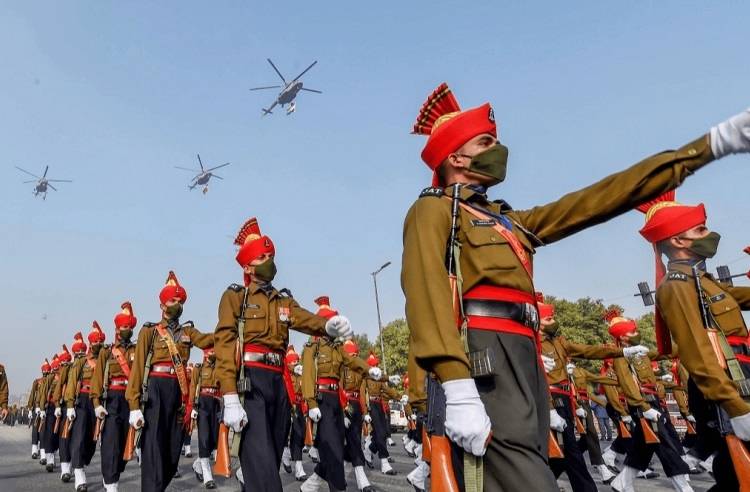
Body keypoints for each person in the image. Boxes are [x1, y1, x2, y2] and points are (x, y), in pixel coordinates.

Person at [403, 83, 750, 489]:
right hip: (484, 363)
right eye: (485, 141)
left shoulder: (511, 221)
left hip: (524, 361)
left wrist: (710, 146)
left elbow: (601, 198)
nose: (498, 149)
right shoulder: (433, 210)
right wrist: (456, 384)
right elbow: (427, 296)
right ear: (455, 155)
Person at [214, 217, 354, 492]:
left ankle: (249, 477)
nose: (269, 261)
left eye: (271, 255)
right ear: (247, 266)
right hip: (250, 385)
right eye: (262, 257)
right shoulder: (236, 298)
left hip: (278, 384)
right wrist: (230, 395)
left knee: (271, 459)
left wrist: (327, 325)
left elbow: (302, 318)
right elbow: (225, 343)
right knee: (265, 471)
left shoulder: (282, 300)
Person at [637, 191, 750, 490]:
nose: (709, 235)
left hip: (740, 379)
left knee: (734, 475)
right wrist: (737, 407)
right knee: (737, 474)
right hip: (724, 387)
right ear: (677, 240)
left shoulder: (702, 281)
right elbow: (697, 352)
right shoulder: (677, 286)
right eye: (700, 229)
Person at [538, 297, 646, 488]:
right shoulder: (533, 343)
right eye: (548, 319)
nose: (554, 322)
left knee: (564, 453)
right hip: (552, 399)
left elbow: (587, 350)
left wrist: (621, 352)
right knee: (570, 452)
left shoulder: (559, 341)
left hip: (565, 399)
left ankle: (542, 485)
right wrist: (549, 408)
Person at [126, 271, 214, 492]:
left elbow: (207, 340)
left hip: (179, 393)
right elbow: (137, 371)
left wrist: (229, 329)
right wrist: (134, 405)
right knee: (153, 448)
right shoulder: (150, 331)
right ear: (163, 304)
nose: (178, 304)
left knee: (173, 451)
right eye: (173, 300)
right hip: (156, 391)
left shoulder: (187, 331)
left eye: (180, 301)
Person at [605, 310, 692, 492]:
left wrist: (687, 342)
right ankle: (684, 488)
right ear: (622, 338)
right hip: (644, 405)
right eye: (632, 332)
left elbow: (662, 353)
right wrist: (644, 407)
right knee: (666, 445)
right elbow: (628, 385)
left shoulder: (641, 353)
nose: (637, 334)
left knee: (642, 449)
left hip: (653, 402)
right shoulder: (621, 356)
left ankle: (621, 483)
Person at [299, 296, 377, 492]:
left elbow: (353, 362)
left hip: (335, 402)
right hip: (322, 399)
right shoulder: (313, 347)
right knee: (332, 447)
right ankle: (338, 488)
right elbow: (308, 375)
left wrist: (369, 370)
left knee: (336, 446)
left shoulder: (337, 348)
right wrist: (311, 403)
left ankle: (312, 484)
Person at [90, 302, 138, 492]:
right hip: (111, 400)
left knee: (125, 445)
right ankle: (111, 484)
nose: (126, 330)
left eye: (129, 327)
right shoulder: (106, 352)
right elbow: (97, 378)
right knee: (111, 443)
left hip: (130, 400)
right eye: (123, 327)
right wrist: (96, 403)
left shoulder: (137, 350)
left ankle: (112, 475)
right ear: (117, 329)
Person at [65, 321, 106, 491]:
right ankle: (79, 472)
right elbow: (73, 381)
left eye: (99, 341)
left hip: (101, 400)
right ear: (90, 343)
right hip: (82, 400)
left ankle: (84, 462)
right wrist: (69, 405)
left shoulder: (107, 359)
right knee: (80, 437)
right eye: (94, 341)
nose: (97, 344)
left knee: (91, 441)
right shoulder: (82, 361)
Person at [362, 352, 398, 475]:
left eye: (377, 364)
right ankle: (384, 463)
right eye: (374, 365)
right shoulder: (365, 377)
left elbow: (386, 389)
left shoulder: (379, 377)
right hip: (371, 405)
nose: (377, 367)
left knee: (381, 434)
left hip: (379, 405)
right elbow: (362, 394)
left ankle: (368, 451)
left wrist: (399, 397)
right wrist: (365, 412)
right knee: (381, 433)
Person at [190, 347, 220, 489]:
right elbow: (193, 386)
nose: (213, 354)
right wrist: (192, 407)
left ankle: (198, 464)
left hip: (216, 403)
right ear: (206, 354)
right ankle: (207, 476)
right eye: (211, 351)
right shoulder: (199, 368)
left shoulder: (220, 367)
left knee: (214, 439)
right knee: (204, 437)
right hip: (203, 403)